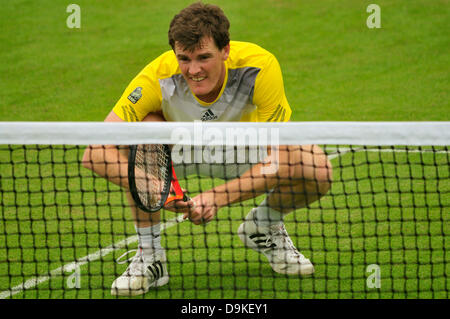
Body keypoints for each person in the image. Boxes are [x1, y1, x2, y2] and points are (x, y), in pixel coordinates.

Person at [82, 2, 332, 296]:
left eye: (204, 57)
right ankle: (150, 256)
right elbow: (95, 151)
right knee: (143, 130)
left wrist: (216, 197)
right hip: (178, 154)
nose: (194, 70)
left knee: (316, 167)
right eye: (184, 59)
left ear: (225, 50)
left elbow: (281, 159)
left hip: (241, 149)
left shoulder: (259, 67)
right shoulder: (157, 76)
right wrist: (154, 186)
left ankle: (263, 227)